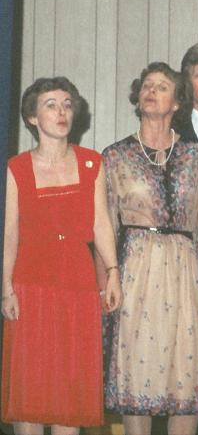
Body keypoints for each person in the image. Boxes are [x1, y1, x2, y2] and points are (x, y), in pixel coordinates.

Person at [1, 77, 122, 435]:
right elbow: (10, 232)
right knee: (31, 386)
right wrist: (6, 288)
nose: (61, 112)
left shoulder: (92, 163)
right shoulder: (17, 167)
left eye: (67, 104)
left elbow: (101, 223)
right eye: (51, 105)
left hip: (78, 284)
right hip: (30, 285)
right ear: (32, 118)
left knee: (70, 390)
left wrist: (113, 272)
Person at [103, 62, 198, 435]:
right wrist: (106, 280)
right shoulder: (115, 156)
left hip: (185, 271)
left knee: (186, 370)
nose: (151, 91)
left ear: (177, 102)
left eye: (162, 86)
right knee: (138, 369)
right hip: (136, 271)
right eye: (147, 86)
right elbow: (104, 225)